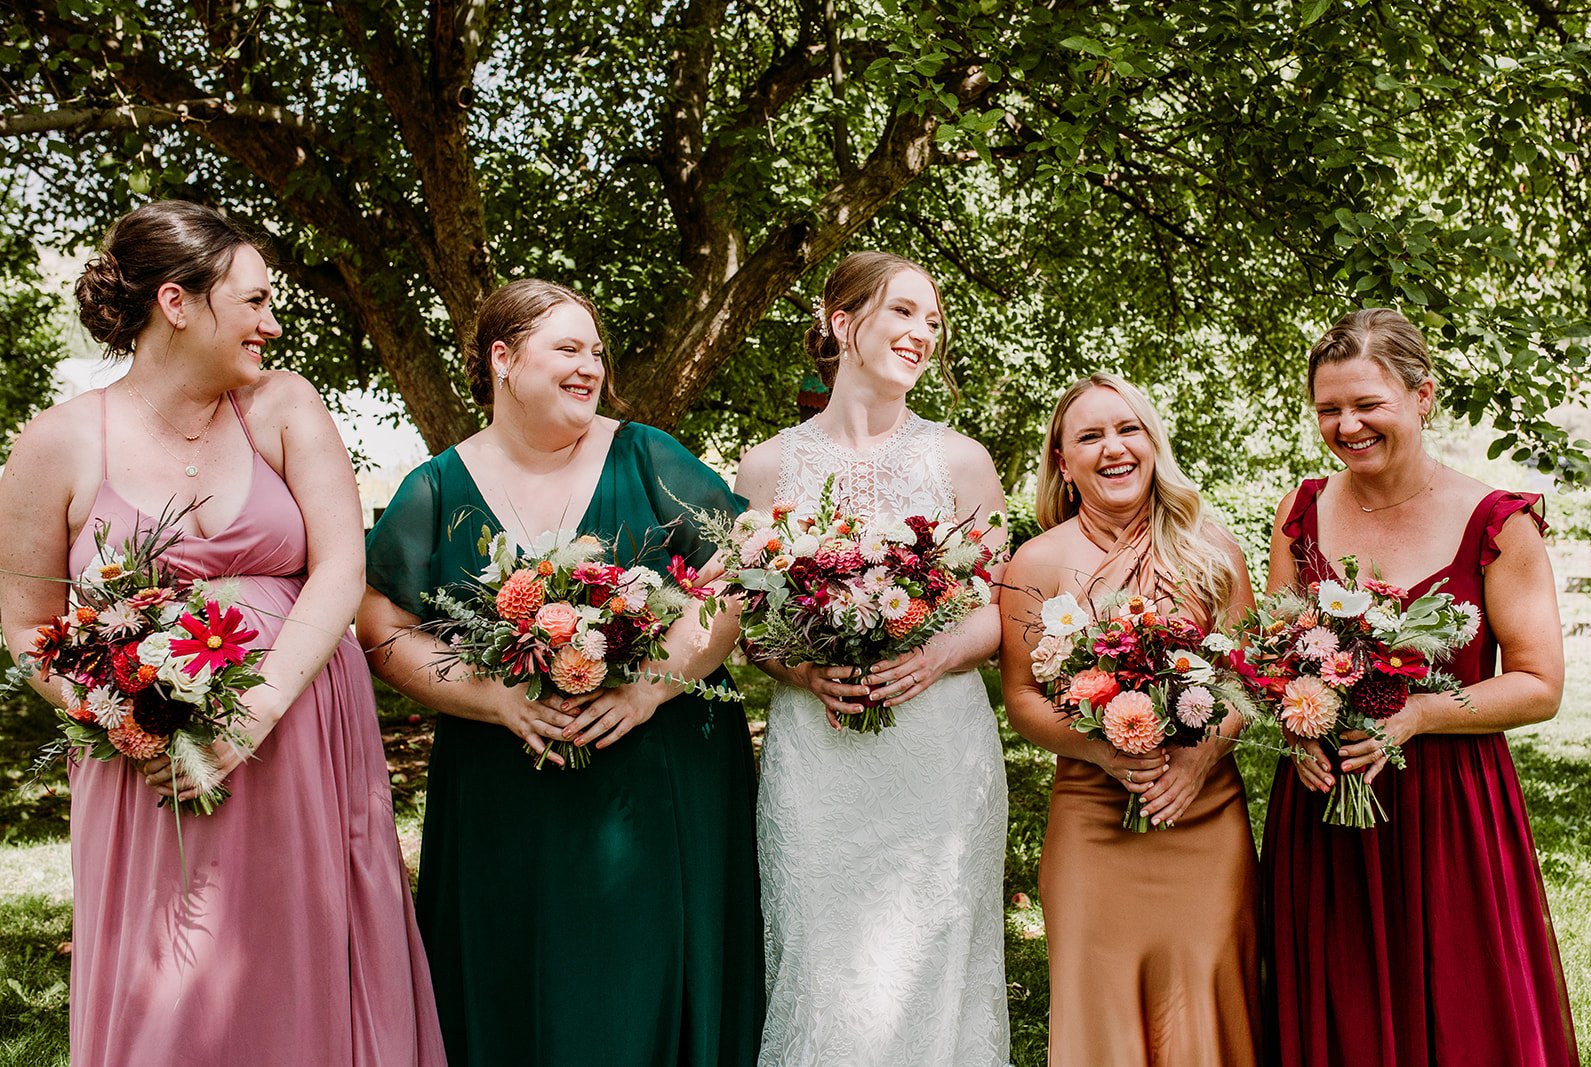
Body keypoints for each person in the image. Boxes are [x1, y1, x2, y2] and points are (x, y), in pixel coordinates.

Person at [0, 201, 444, 1065]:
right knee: (172, 975)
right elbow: (24, 624)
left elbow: (340, 569)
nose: (271, 324)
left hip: (304, 731)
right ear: (177, 302)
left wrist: (253, 714)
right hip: (151, 758)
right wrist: (118, 717)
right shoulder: (57, 443)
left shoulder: (281, 406)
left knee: (305, 956)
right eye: (253, 301)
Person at [357, 279, 762, 1066]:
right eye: (567, 349)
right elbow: (380, 623)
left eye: (596, 352)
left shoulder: (648, 455)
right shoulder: (436, 487)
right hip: (502, 788)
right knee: (511, 976)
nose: (590, 367)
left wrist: (649, 687)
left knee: (652, 977)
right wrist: (491, 695)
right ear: (501, 358)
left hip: (661, 777)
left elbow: (737, 575)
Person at [1260, 308, 1578, 1066]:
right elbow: (1275, 652)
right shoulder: (1302, 510)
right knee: (1341, 1009)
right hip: (1325, 805)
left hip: (1449, 806)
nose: (1347, 424)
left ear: (1423, 395)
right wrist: (1298, 725)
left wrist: (1420, 713)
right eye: (1329, 409)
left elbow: (1539, 685)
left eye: (1368, 404)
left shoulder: (1498, 523)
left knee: (1459, 1013)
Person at [735, 251, 1010, 1065]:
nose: (923, 332)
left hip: (937, 757)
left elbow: (1002, 612)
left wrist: (934, 657)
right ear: (841, 321)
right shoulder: (767, 464)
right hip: (818, 755)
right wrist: (804, 667)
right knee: (822, 965)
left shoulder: (962, 461)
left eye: (933, 319)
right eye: (904, 312)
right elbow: (750, 621)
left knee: (937, 959)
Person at [999, 372, 1260, 1066]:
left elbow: (1246, 678)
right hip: (1092, 817)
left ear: (1152, 442)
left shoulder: (1212, 551)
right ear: (1063, 460)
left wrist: (1201, 756)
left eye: (1127, 429)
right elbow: (1022, 697)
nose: (1112, 448)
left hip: (1205, 816)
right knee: (1099, 995)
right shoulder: (1036, 561)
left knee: (1208, 993)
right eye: (1089, 435)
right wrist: (1104, 752)